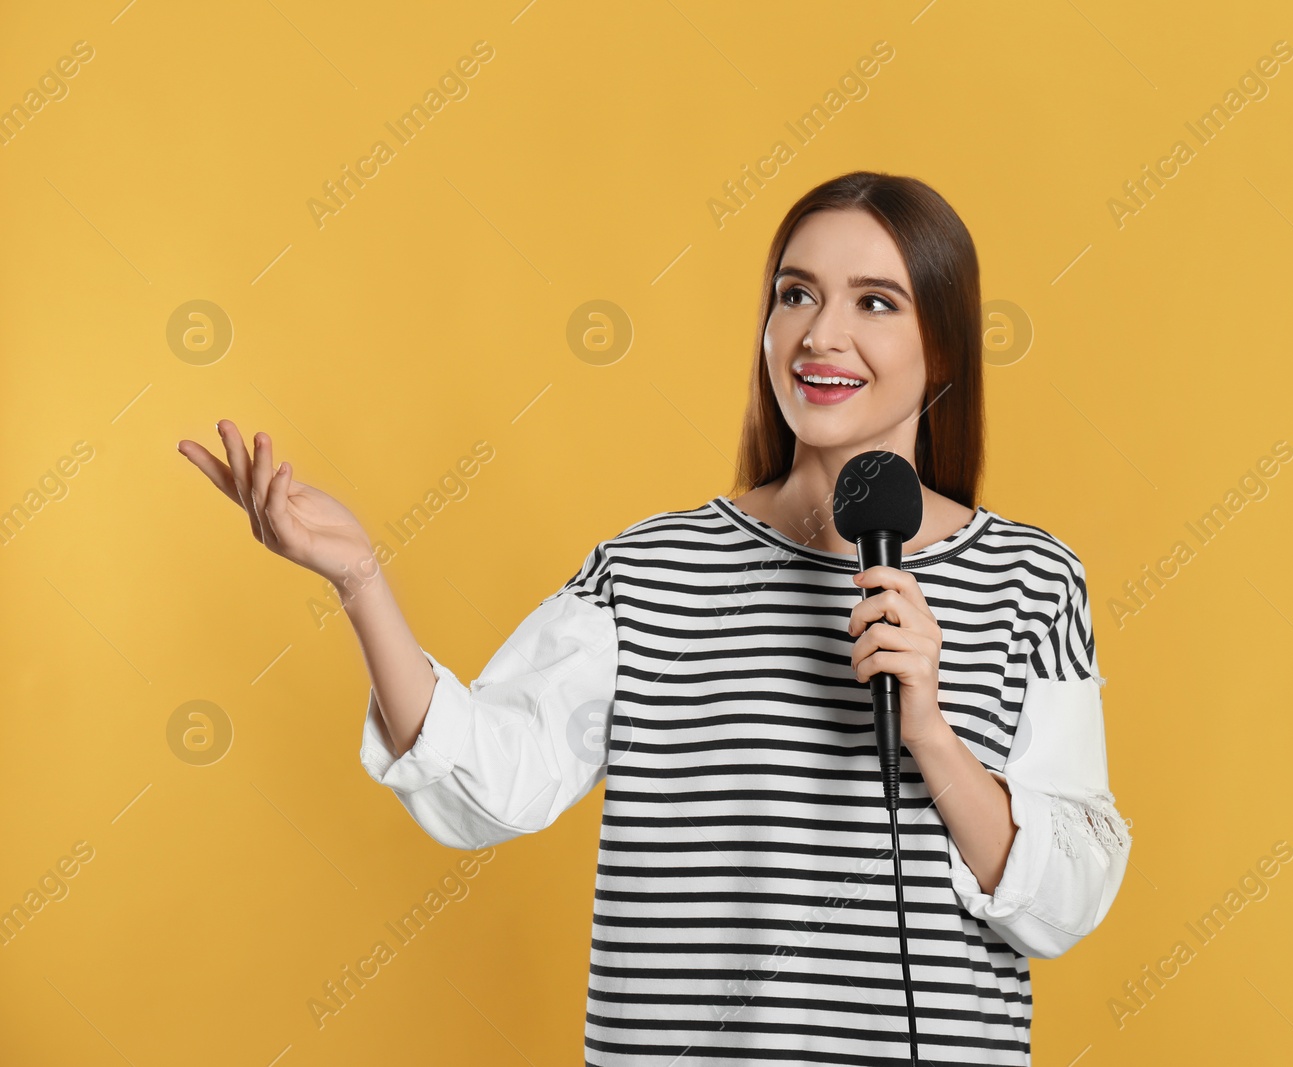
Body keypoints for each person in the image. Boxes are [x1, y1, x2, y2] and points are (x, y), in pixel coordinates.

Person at [178, 171, 1131, 1065]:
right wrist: (360, 581)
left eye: (875, 302)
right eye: (796, 294)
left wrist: (929, 730)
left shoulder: (1032, 581)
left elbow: (1069, 896)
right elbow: (489, 784)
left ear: (945, 346)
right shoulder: (650, 570)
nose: (820, 335)